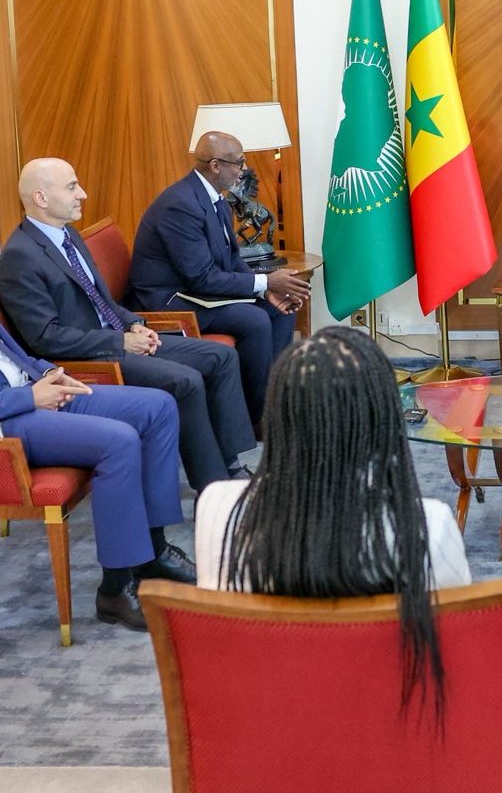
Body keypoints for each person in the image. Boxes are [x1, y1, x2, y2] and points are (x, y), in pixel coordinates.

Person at [195, 324, 469, 793]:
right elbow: (459, 658)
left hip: (272, 752)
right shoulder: (423, 523)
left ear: (280, 413)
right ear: (380, 416)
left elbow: (223, 651)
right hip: (399, 747)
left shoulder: (217, 510)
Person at [0, 158, 257, 493]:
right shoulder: (19, 257)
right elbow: (46, 339)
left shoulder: (68, 236)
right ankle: (212, 486)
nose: (83, 194)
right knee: (185, 380)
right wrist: (120, 343)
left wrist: (134, 325)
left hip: (117, 338)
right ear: (41, 198)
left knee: (220, 358)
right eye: (72, 186)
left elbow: (101, 300)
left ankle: (229, 461)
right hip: (88, 357)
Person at [0, 319, 193, 632]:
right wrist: (30, 398)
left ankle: (152, 553)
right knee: (119, 442)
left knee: (158, 406)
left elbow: (11, 354)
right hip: (11, 420)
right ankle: (115, 589)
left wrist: (50, 373)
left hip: (34, 389)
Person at [128, 133, 311, 423]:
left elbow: (231, 260)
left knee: (280, 309)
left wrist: (266, 292)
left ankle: (274, 403)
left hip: (197, 289)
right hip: (169, 300)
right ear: (215, 165)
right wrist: (265, 282)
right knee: (254, 320)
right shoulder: (180, 206)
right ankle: (256, 419)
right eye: (239, 163)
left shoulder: (216, 201)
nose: (244, 169)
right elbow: (202, 278)